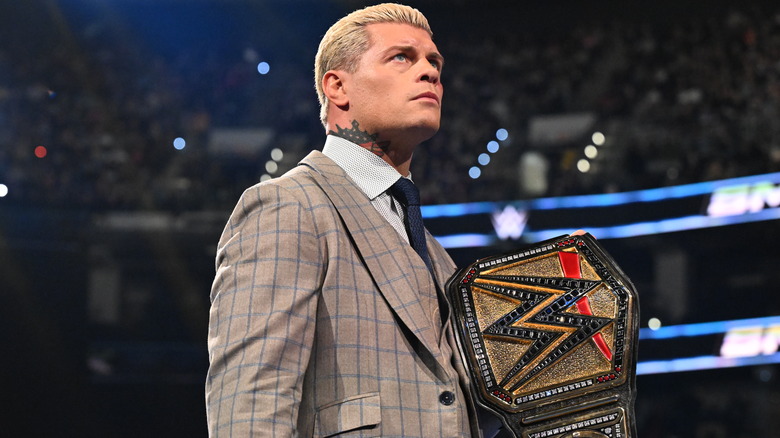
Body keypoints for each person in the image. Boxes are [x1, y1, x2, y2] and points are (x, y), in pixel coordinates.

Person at [206, 4, 487, 437]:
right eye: (402, 57)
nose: (430, 72)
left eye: (434, 62)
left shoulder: (431, 249)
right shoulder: (288, 206)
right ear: (338, 87)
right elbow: (249, 408)